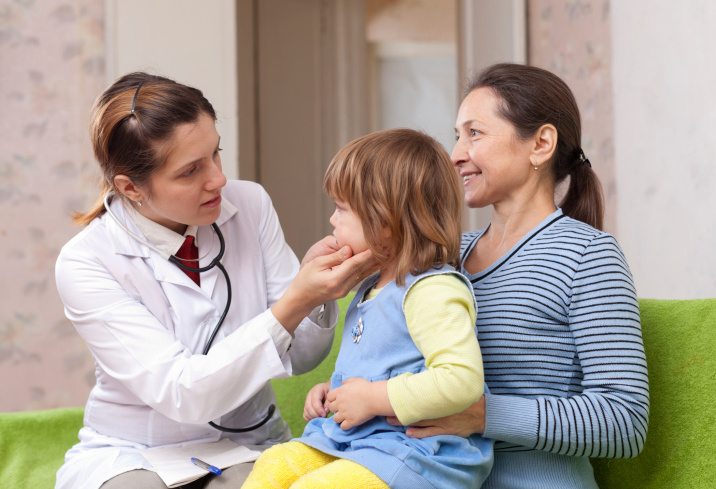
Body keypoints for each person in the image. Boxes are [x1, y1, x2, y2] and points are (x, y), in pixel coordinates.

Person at [53, 72, 379, 489]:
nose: (218, 179)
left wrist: (315, 296)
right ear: (130, 186)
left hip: (245, 442)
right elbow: (182, 392)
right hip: (136, 451)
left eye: (215, 154)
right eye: (191, 171)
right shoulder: (86, 262)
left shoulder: (250, 204)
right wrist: (293, 302)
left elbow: (302, 358)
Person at [385, 63, 649, 488]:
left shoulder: (588, 256)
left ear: (541, 144)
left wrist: (483, 416)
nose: (455, 153)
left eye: (475, 133)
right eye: (457, 134)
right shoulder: (447, 256)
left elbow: (625, 419)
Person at [241, 129, 494, 489]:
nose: (332, 220)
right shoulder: (369, 289)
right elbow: (382, 365)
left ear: (385, 223)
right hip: (361, 442)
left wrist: (371, 398)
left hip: (419, 454)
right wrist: (336, 390)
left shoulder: (431, 290)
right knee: (274, 464)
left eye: (342, 209)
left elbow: (461, 380)